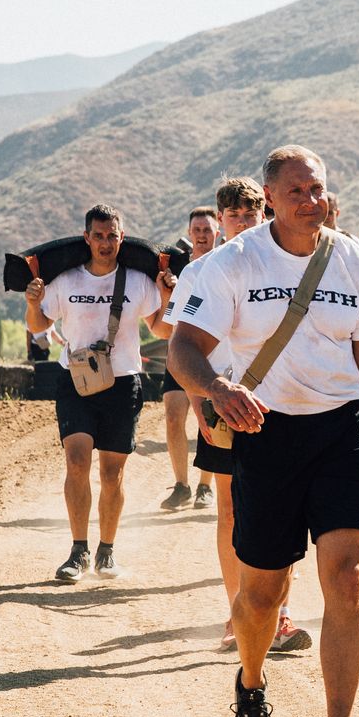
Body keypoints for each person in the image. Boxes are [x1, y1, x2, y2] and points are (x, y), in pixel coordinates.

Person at [172, 144, 359, 717]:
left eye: (317, 188)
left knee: (347, 580)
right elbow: (184, 348)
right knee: (263, 593)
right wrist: (216, 389)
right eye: (295, 190)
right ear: (269, 198)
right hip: (264, 429)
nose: (309, 199)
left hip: (343, 431)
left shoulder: (357, 266)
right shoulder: (233, 264)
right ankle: (251, 680)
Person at [162, 178, 310, 654]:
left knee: (284, 511)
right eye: (234, 217)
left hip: (282, 402)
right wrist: (198, 399)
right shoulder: (200, 272)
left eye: (251, 216)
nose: (243, 224)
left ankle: (280, 615)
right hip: (222, 404)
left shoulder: (285, 264)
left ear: (263, 213)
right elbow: (179, 347)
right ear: (219, 221)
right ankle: (237, 613)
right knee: (229, 511)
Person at [23, 204, 169, 583]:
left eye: (112, 236)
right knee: (76, 460)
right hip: (74, 379)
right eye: (99, 236)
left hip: (123, 382)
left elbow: (163, 330)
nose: (105, 243)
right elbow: (39, 324)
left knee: (111, 472)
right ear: (86, 237)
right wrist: (32, 301)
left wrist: (166, 296)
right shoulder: (67, 281)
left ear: (122, 238)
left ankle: (107, 550)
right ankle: (78, 551)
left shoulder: (138, 282)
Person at [158, 206, 222, 511]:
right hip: (178, 354)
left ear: (217, 233)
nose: (201, 235)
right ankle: (181, 485)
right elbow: (163, 327)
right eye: (196, 230)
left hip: (209, 357)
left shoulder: (224, 267)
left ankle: (205, 486)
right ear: (189, 234)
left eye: (206, 230)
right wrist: (164, 295)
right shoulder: (182, 274)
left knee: (206, 420)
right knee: (173, 417)